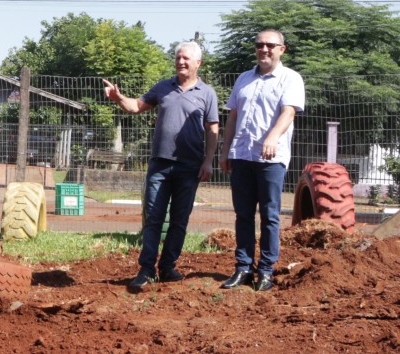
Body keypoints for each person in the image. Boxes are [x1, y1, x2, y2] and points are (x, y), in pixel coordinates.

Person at [103, 42, 221, 292]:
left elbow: (212, 128)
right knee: (154, 218)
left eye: (186, 58)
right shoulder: (163, 88)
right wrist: (118, 98)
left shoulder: (207, 93)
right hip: (159, 165)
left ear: (198, 63)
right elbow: (135, 106)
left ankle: (168, 267)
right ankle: (146, 269)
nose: (181, 62)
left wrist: (208, 161)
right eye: (178, 57)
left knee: (179, 220)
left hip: (189, 167)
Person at [219, 29, 304, 292]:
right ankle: (243, 268)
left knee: (269, 216)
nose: (264, 49)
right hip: (242, 156)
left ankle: (266, 270)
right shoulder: (244, 79)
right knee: (243, 215)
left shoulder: (291, 79)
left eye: (270, 45)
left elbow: (289, 112)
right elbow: (233, 116)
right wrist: (225, 151)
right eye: (259, 45)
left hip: (271, 158)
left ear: (282, 49)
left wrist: (273, 137)